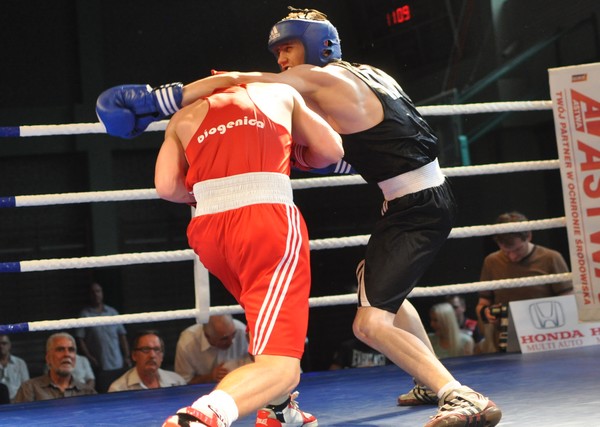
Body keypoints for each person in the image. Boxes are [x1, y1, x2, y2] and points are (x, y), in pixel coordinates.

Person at [95, 7, 501, 427]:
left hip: (414, 205)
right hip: (412, 197)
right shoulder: (367, 75)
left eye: (288, 48)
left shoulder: (318, 79)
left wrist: (159, 100)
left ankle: (459, 395)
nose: (282, 59)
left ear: (318, 45)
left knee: (369, 325)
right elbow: (369, 143)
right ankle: (413, 380)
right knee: (374, 286)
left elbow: (243, 82)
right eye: (277, 53)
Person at [97, 77, 343, 426]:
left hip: (210, 231)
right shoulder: (278, 92)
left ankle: (279, 410)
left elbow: (166, 187)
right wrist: (295, 155)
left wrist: (214, 193)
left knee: (266, 321)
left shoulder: (182, 117)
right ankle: (205, 415)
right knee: (282, 365)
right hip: (266, 222)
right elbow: (332, 151)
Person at [476, 211, 573, 352]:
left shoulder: (551, 258)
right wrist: (486, 313)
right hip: (506, 340)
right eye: (505, 251)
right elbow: (483, 302)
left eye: (517, 249)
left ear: (529, 236)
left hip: (546, 338)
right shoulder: (491, 261)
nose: (512, 256)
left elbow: (568, 300)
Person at [14, 332, 96, 402]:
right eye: (60, 350)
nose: (67, 354)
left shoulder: (88, 392)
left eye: (71, 350)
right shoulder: (29, 389)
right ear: (48, 358)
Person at [175, 315, 252, 384]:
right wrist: (210, 377)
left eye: (233, 335)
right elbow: (183, 382)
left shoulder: (242, 332)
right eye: (224, 338)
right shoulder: (187, 344)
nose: (232, 342)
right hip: (201, 390)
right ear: (207, 336)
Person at [74, 282, 132, 373]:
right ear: (89, 295)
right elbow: (80, 338)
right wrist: (89, 357)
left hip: (117, 362)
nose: (96, 294)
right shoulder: (85, 315)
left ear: (102, 293)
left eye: (98, 291)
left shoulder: (112, 312)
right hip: (99, 365)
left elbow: (122, 336)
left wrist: (127, 356)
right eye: (93, 292)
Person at [108, 330, 186, 392]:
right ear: (134, 355)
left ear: (162, 356)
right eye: (145, 349)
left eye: (156, 349)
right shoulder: (118, 390)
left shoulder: (177, 382)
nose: (152, 355)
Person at [0, 334, 30, 402]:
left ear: (9, 345)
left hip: (18, 402)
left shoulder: (20, 363)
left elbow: (26, 386)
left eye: (4, 343)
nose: (1, 346)